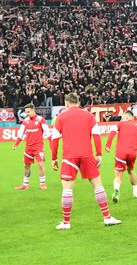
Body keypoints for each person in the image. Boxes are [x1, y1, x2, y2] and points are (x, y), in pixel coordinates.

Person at [51, 92, 120, 230]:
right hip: (87, 155)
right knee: (97, 186)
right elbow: (96, 135)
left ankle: (66, 222)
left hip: (69, 157)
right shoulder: (88, 116)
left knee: (67, 189)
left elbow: (54, 139)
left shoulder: (61, 117)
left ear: (66, 103)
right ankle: (107, 218)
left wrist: (54, 158)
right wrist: (99, 153)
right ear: (78, 102)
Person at [107, 110, 137, 203]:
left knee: (118, 174)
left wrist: (108, 145)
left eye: (123, 117)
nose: (122, 118)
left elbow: (112, 132)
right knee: (131, 170)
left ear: (127, 117)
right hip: (132, 154)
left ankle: (116, 191)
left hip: (121, 153)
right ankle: (136, 192)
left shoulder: (120, 124)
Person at [12, 104, 48, 190]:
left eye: (28, 112)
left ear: (33, 110)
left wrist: (49, 140)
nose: (27, 113)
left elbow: (47, 131)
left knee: (40, 164)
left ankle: (42, 183)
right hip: (28, 147)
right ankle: (25, 184)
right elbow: (20, 134)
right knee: (26, 166)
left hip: (38, 147)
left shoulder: (40, 120)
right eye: (26, 112)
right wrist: (16, 144)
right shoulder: (25, 121)